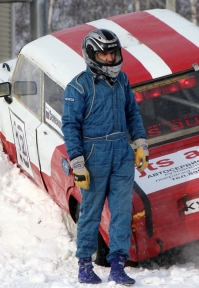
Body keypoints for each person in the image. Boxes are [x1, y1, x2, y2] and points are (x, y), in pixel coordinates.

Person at [61, 29, 149, 285]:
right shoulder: (78, 87)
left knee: (122, 212)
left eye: (113, 53)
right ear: (91, 55)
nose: (110, 59)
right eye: (104, 54)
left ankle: (118, 266)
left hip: (121, 152)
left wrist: (141, 143)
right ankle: (85, 266)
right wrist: (77, 161)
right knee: (91, 212)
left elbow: (132, 112)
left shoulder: (122, 80)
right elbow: (70, 125)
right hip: (93, 155)